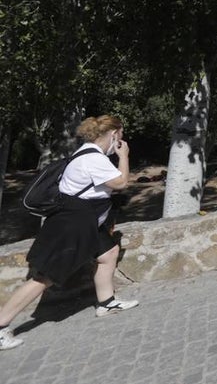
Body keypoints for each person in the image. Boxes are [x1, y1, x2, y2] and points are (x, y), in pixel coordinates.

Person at [0, 116, 138, 351]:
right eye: (120, 135)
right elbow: (122, 182)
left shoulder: (85, 154)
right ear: (113, 134)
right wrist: (124, 156)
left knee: (109, 252)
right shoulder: (94, 159)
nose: (121, 140)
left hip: (84, 220)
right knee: (44, 277)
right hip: (73, 223)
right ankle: (1, 326)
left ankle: (107, 302)